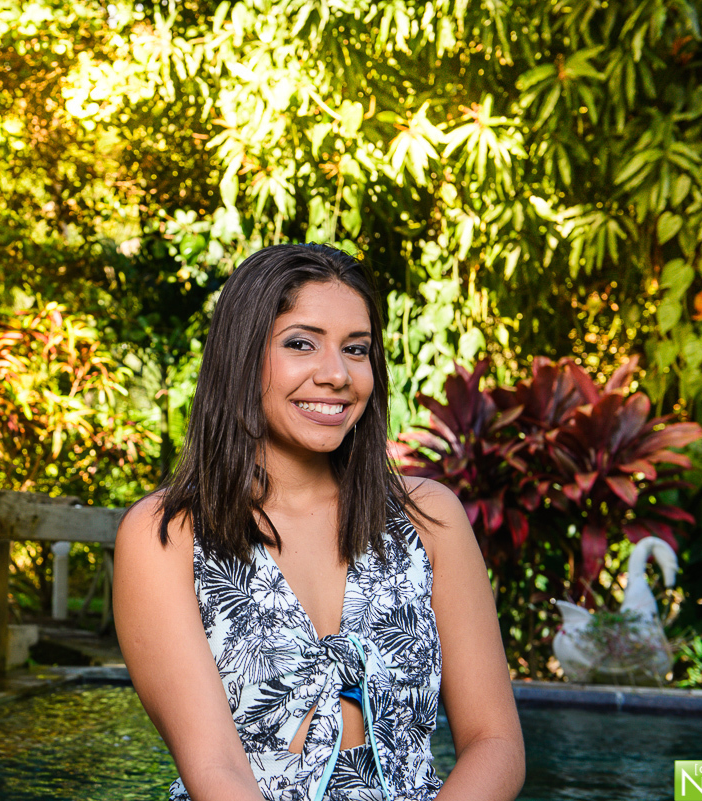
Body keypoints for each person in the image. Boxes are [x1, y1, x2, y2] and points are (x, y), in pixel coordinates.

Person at [113, 244, 524, 801]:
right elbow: (215, 770)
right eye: (301, 343)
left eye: (356, 349)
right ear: (241, 355)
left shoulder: (430, 519)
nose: (336, 374)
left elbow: (495, 743)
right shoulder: (168, 535)